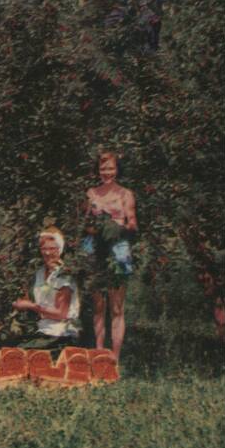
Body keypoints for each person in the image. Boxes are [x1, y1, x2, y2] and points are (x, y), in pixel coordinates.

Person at [82, 152, 138, 362]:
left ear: (118, 169)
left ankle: (114, 357)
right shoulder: (91, 193)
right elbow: (84, 224)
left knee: (116, 307)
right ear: (97, 170)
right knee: (98, 306)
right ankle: (98, 354)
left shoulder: (126, 194)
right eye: (103, 168)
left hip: (119, 249)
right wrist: (95, 228)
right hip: (93, 247)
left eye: (111, 168)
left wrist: (117, 226)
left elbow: (133, 224)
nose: (107, 172)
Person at [12, 226, 80, 354]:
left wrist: (31, 306)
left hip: (61, 334)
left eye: (52, 248)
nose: (47, 253)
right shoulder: (39, 273)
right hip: (43, 331)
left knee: (20, 354)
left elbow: (61, 313)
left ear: (60, 249)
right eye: (44, 248)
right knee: (11, 351)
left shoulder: (64, 275)